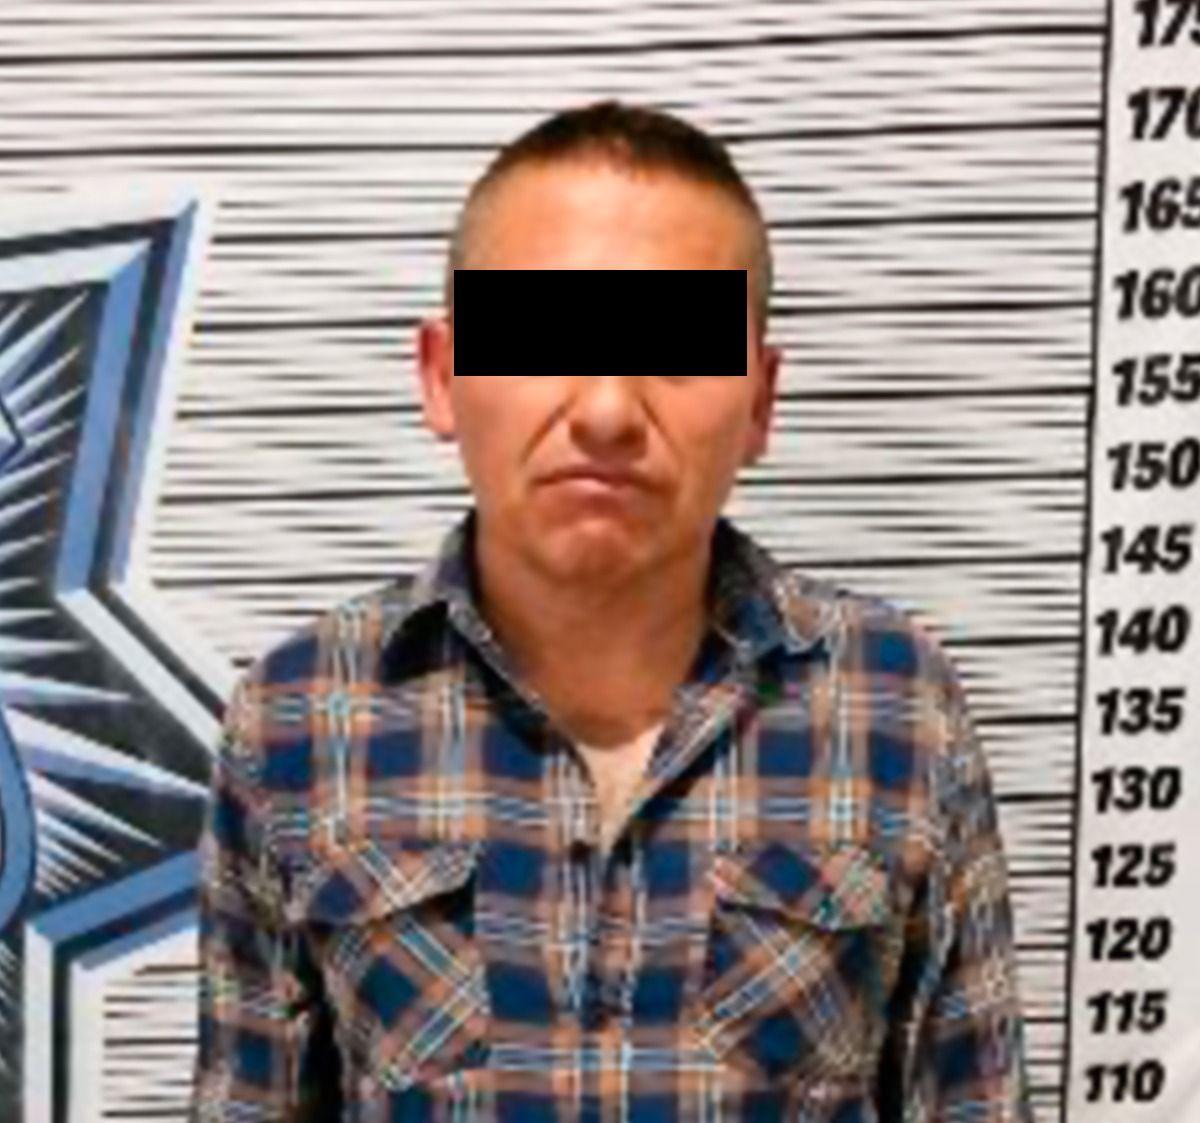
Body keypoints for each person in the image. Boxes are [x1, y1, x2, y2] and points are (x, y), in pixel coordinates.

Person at [191, 98, 1035, 1122]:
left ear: (760, 399)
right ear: (441, 375)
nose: (604, 411)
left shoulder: (894, 709)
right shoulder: (297, 719)